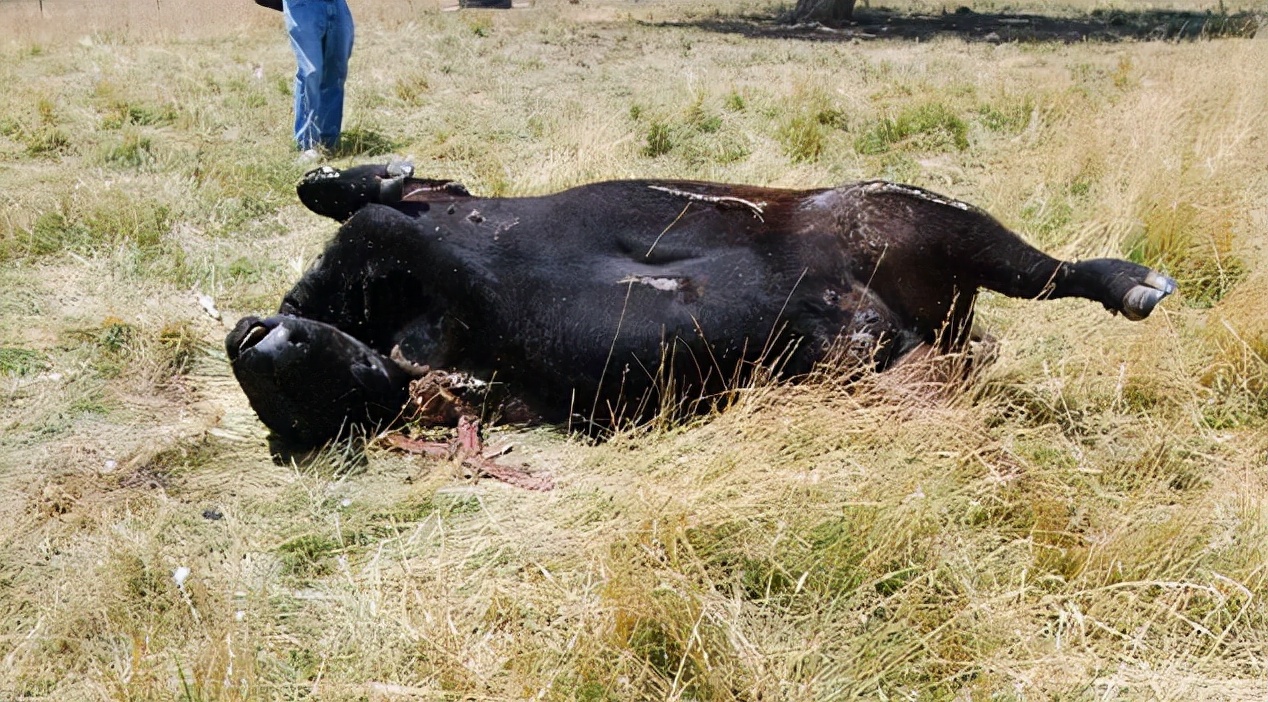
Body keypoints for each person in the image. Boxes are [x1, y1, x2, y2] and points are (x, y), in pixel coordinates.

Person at [281, 0, 355, 153]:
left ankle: (328, 143)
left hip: (337, 4)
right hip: (303, 5)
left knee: (336, 72)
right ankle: (307, 145)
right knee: (310, 72)